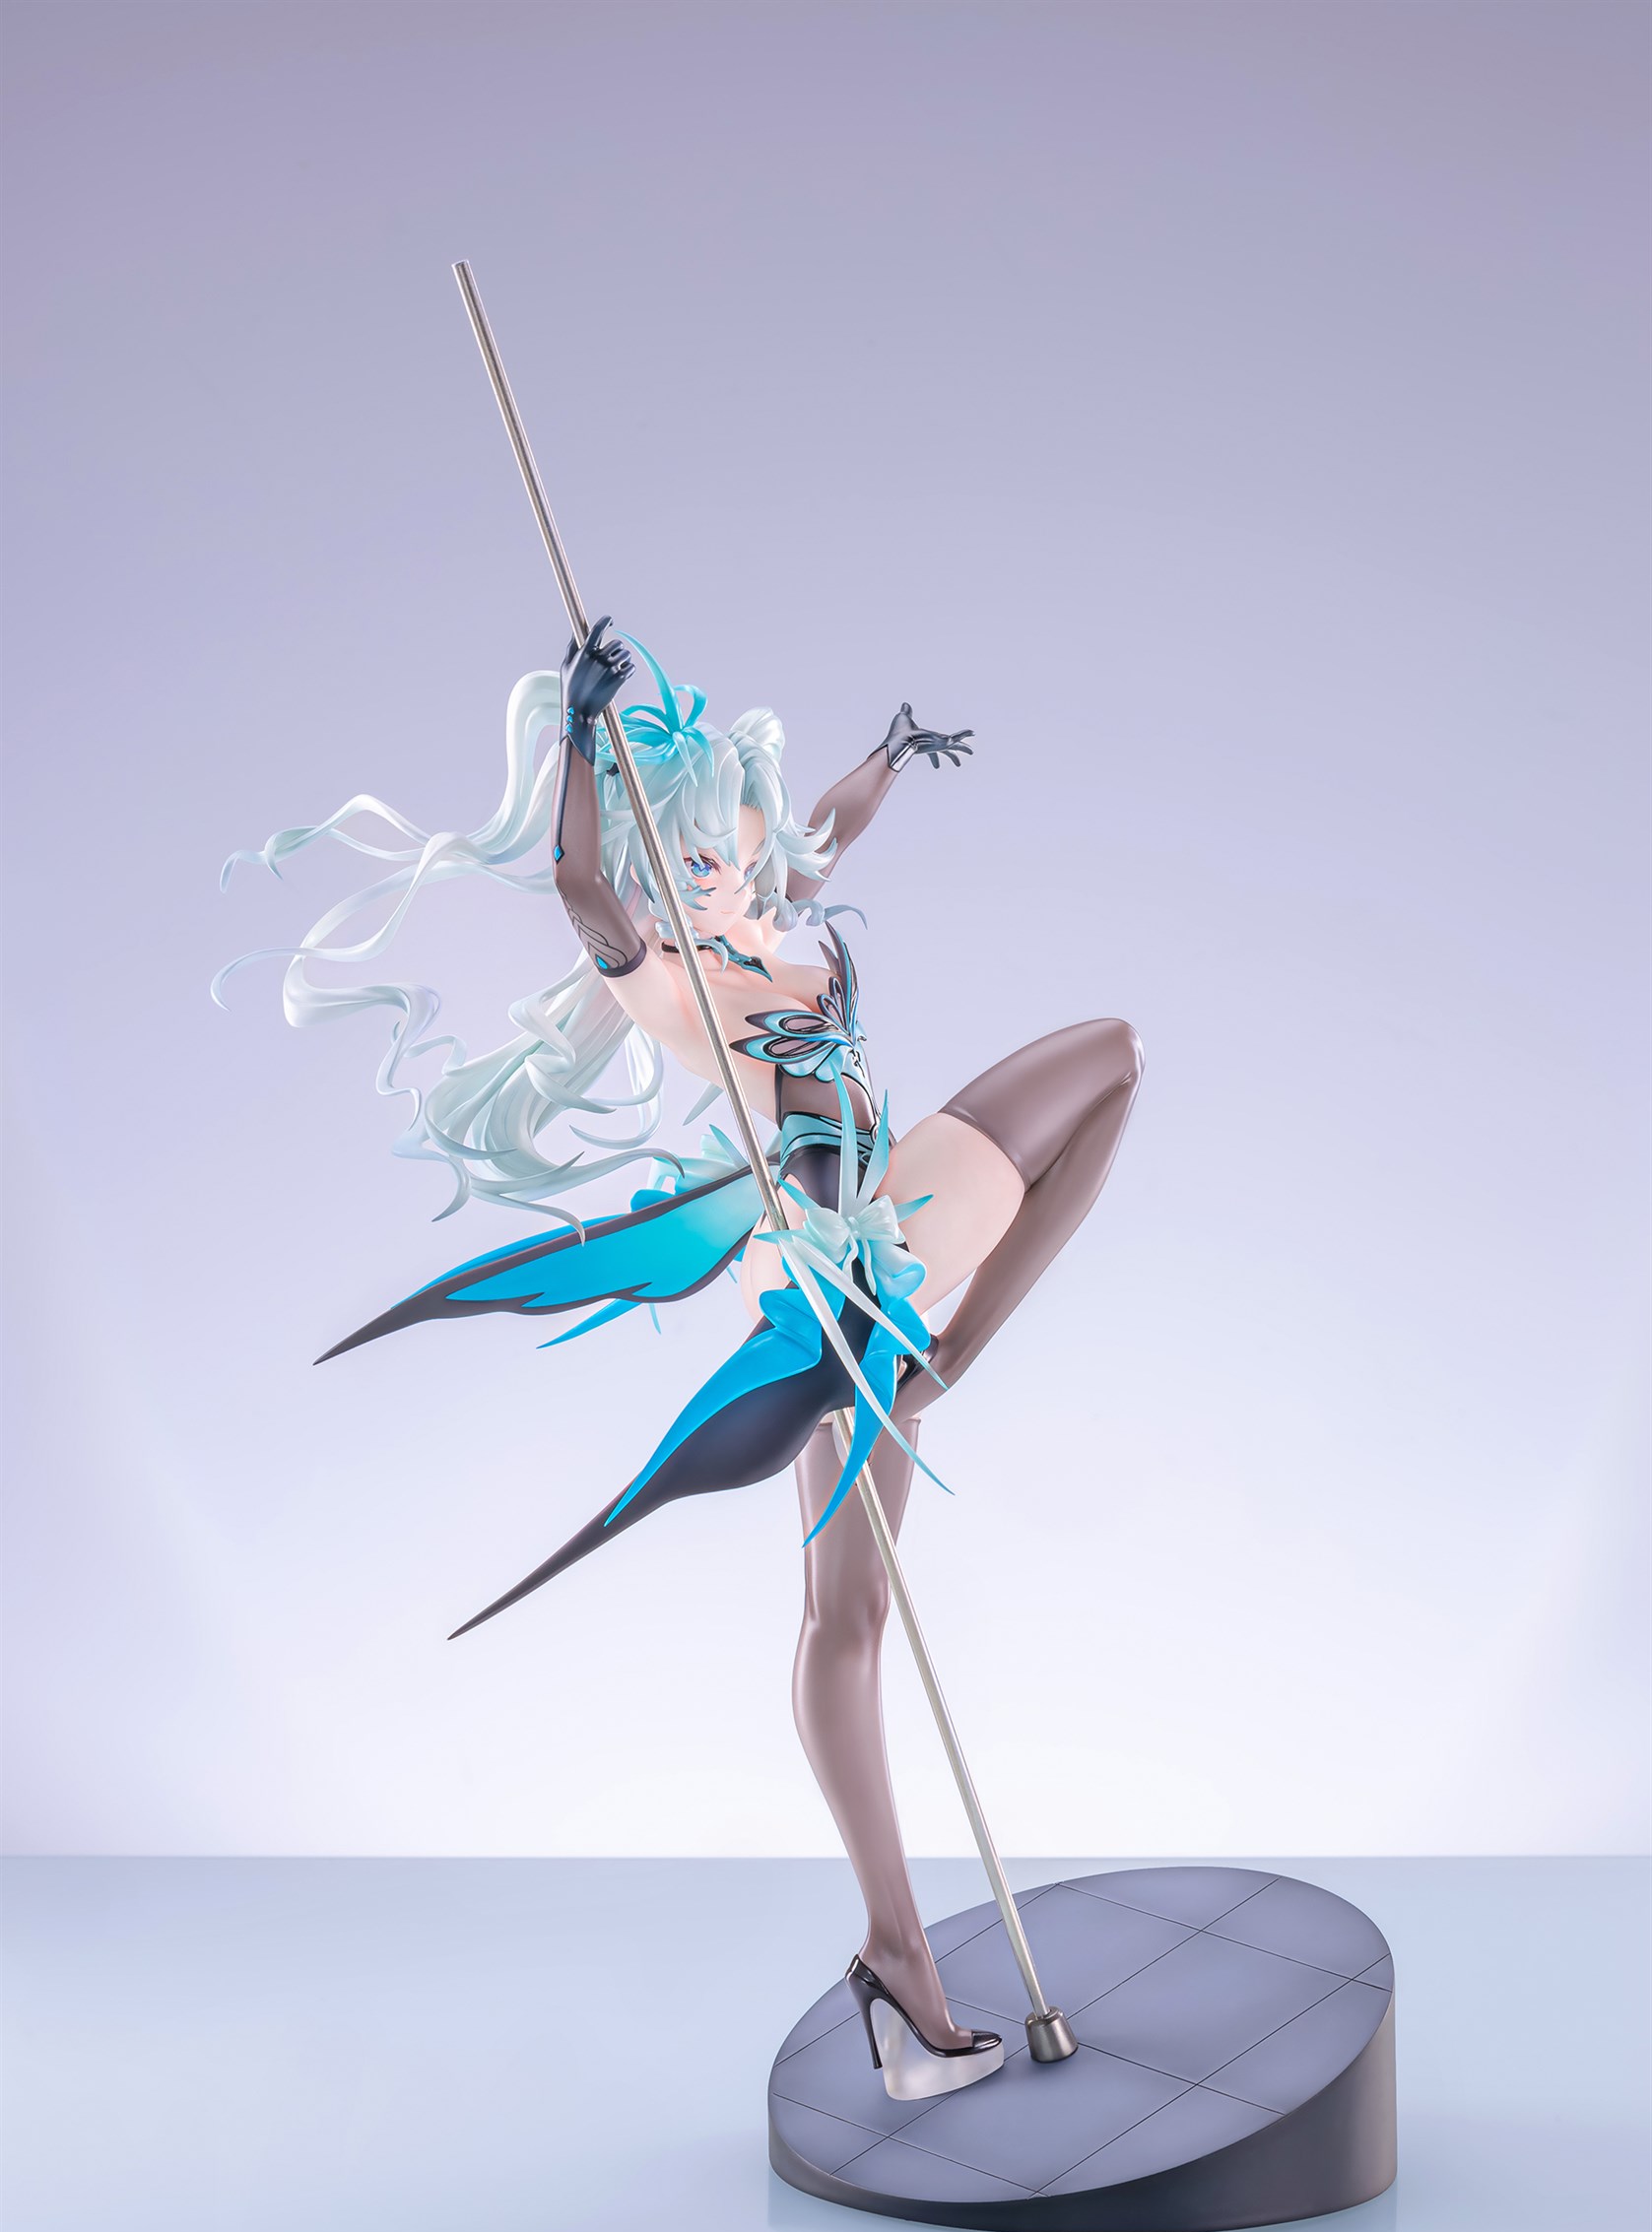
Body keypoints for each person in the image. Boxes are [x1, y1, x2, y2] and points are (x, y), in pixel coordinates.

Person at [218, 621, 1143, 2099]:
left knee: (1108, 1057)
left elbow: (825, 829)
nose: (741, 871)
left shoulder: (778, 920)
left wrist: (887, 756)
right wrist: (580, 735)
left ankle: (954, 1353)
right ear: (667, 869)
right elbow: (578, 886)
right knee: (846, 1620)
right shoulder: (676, 984)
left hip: (909, 1214)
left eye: (744, 850)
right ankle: (897, 1957)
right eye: (707, 856)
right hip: (833, 1290)